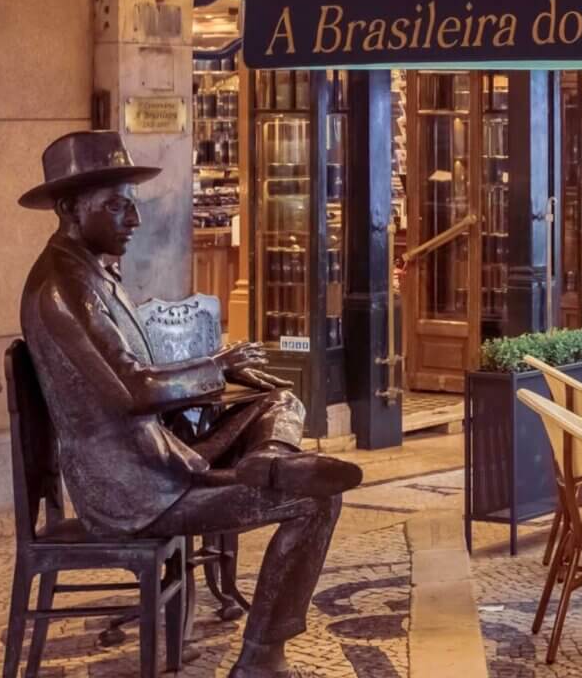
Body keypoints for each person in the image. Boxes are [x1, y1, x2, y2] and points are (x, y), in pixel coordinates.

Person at [19, 130, 361, 678]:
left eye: (131, 204)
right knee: (314, 503)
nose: (132, 219)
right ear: (68, 209)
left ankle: (270, 455)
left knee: (278, 397)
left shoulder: (87, 271)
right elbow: (133, 391)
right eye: (115, 206)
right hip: (134, 489)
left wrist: (221, 371)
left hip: (155, 455)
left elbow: (138, 377)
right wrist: (215, 372)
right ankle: (260, 661)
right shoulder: (63, 290)